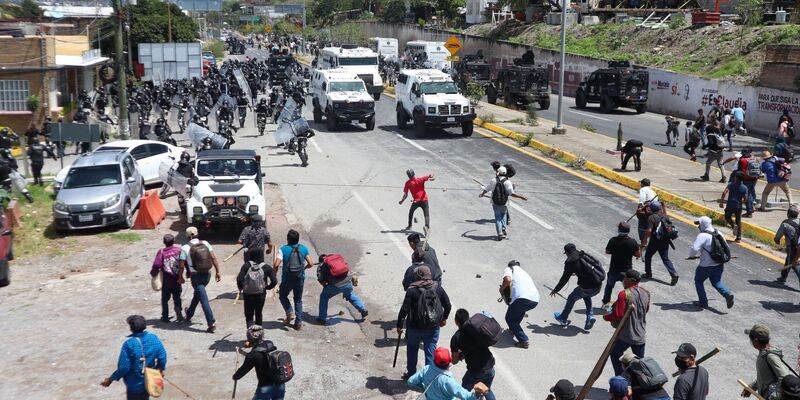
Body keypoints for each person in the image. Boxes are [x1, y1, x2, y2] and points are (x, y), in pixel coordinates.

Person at [397, 265, 452, 379]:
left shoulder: (412, 290)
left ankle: (412, 375)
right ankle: (430, 378)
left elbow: (404, 310)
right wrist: (443, 319)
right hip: (432, 327)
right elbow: (448, 305)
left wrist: (399, 325)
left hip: (414, 327)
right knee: (430, 352)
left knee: (412, 350)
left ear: (418, 276)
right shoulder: (438, 288)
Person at [101, 315, 167, 400]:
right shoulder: (153, 338)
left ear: (131, 328)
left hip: (134, 383)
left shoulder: (129, 344)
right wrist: (159, 370)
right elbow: (162, 357)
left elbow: (124, 367)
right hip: (150, 380)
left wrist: (111, 379)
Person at [605, 270, 650, 375]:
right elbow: (646, 310)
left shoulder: (624, 294)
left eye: (624, 278)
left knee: (615, 354)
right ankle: (638, 384)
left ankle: (620, 378)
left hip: (627, 335)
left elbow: (618, 314)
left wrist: (606, 317)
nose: (623, 280)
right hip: (641, 335)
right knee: (639, 363)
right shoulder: (646, 292)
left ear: (630, 280)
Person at [180, 226, 222, 333]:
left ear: (187, 236)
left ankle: (211, 322)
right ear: (198, 234)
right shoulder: (206, 243)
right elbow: (213, 258)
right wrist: (218, 271)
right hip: (207, 274)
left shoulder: (184, 248)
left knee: (203, 299)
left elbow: (181, 265)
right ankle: (189, 314)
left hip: (196, 277)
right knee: (199, 294)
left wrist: (180, 277)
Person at [551, 243, 602, 330]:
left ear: (567, 253)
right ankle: (590, 316)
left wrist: (556, 290)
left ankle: (563, 318)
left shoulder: (570, 262)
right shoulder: (582, 254)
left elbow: (564, 279)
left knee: (571, 298)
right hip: (598, 285)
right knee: (586, 296)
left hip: (586, 287)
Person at [406, 347, 489, 400]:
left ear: (434, 360)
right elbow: (467, 396)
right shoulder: (448, 381)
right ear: (449, 361)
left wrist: (424, 386)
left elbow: (410, 381)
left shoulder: (426, 369)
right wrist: (477, 394)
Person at [450, 309, 497, 400]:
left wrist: (460, 355)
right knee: (486, 389)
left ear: (456, 321)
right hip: (490, 366)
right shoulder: (477, 329)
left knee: (464, 392)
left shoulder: (456, 338)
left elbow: (454, 361)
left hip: (475, 371)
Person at [689, 216, 735, 309]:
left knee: (698, 281)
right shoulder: (719, 233)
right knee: (716, 281)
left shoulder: (702, 236)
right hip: (719, 264)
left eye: (699, 224)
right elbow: (727, 248)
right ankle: (727, 294)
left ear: (703, 225)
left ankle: (703, 302)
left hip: (705, 266)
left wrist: (691, 256)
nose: (698, 227)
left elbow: (694, 249)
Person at [273, 229, 314, 330]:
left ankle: (289, 312)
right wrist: (304, 268)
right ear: (298, 239)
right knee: (298, 300)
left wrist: (274, 274)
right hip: (299, 278)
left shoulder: (283, 249)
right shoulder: (303, 248)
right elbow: (311, 263)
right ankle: (298, 322)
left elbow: (276, 264)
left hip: (287, 279)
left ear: (288, 239)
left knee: (282, 296)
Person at [232, 325, 286, 400]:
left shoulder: (252, 355)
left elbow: (243, 370)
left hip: (265, 387)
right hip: (280, 384)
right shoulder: (270, 343)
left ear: (249, 339)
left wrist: (235, 376)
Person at [743, 324, 793, 399]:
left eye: (751, 339)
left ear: (756, 341)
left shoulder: (770, 356)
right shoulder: (763, 353)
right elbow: (765, 377)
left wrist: (773, 397)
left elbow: (785, 378)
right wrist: (752, 387)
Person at [315, 253, 368, 324]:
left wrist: (325, 286)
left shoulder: (321, 266)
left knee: (324, 297)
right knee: (349, 294)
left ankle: (322, 318)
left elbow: (321, 280)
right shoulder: (336, 260)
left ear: (320, 261)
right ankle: (362, 309)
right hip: (348, 282)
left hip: (335, 286)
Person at [479, 166, 528, 241]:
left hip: (495, 202)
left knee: (498, 218)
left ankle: (500, 234)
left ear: (498, 172)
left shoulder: (493, 180)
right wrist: (521, 197)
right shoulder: (507, 182)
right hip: (504, 202)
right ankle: (503, 228)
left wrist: (482, 194)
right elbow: (512, 193)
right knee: (503, 215)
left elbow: (487, 188)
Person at [499, 260, 539, 349]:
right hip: (535, 300)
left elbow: (507, 279)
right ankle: (514, 329)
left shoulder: (510, 269)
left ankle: (523, 340)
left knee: (510, 319)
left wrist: (501, 289)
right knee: (519, 311)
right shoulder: (523, 272)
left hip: (522, 299)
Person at [640, 202, 679, 285]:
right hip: (665, 240)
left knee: (648, 256)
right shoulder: (665, 215)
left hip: (655, 241)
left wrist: (644, 241)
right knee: (665, 258)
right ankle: (673, 273)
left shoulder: (651, 217)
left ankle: (648, 274)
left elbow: (649, 230)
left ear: (652, 209)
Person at [603, 222, 641, 305]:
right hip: (626, 272)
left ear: (619, 230)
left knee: (609, 286)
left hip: (613, 269)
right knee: (628, 290)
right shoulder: (632, 242)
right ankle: (628, 305)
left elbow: (607, 251)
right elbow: (638, 254)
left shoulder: (613, 240)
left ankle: (605, 303)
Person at [237, 257, 277, 331]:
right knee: (258, 314)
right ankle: (258, 336)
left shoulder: (246, 266)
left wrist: (241, 287)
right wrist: (267, 287)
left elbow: (239, 279)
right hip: (261, 294)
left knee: (249, 315)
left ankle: (250, 336)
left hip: (248, 294)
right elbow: (274, 281)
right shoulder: (266, 267)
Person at [150, 234, 184, 322]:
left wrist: (153, 273)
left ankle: (165, 316)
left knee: (165, 299)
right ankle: (178, 309)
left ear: (164, 242)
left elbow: (157, 264)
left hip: (166, 280)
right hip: (177, 278)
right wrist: (187, 272)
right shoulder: (179, 250)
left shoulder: (161, 252)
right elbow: (184, 262)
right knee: (177, 297)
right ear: (174, 241)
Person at [720, 171, 748, 242]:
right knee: (738, 221)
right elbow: (745, 199)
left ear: (737, 178)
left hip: (730, 205)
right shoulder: (744, 188)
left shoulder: (731, 184)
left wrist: (721, 202)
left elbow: (724, 192)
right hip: (738, 206)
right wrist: (742, 201)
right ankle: (738, 238)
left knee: (727, 217)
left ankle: (733, 225)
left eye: (735, 177)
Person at [775, 205, 800, 285]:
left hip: (793, 247)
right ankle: (783, 277)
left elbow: (778, 236)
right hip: (798, 245)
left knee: (794, 264)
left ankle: (783, 277)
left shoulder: (785, 224)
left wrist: (777, 241)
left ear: (788, 214)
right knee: (788, 260)